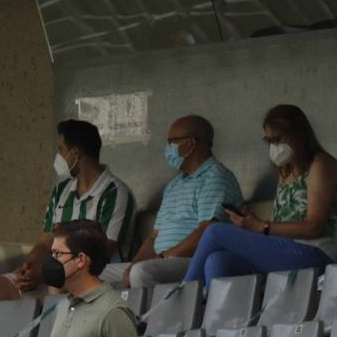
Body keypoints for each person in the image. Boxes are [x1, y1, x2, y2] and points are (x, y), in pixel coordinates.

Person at [183, 104, 337, 285]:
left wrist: (263, 227)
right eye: (270, 141)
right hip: (290, 253)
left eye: (279, 139)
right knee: (218, 262)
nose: (275, 146)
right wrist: (252, 225)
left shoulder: (320, 165)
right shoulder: (285, 172)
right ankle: (222, 312)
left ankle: (180, 299)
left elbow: (314, 227)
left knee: (215, 231)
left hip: (320, 255)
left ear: (299, 134)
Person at [0, 120, 136, 305]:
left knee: (59, 280)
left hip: (95, 274)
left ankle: (55, 331)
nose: (58, 157)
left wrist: (47, 271)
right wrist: (30, 267)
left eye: (61, 150)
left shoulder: (115, 192)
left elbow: (102, 250)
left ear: (76, 153)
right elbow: (44, 242)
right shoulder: (61, 191)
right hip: (51, 273)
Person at [100, 115, 244, 290]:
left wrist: (161, 258)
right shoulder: (174, 185)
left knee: (141, 273)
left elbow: (206, 231)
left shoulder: (216, 177)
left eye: (172, 142)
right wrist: (134, 263)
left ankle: (148, 318)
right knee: (92, 274)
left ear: (190, 144)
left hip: (195, 260)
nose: (168, 148)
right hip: (161, 260)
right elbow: (154, 236)